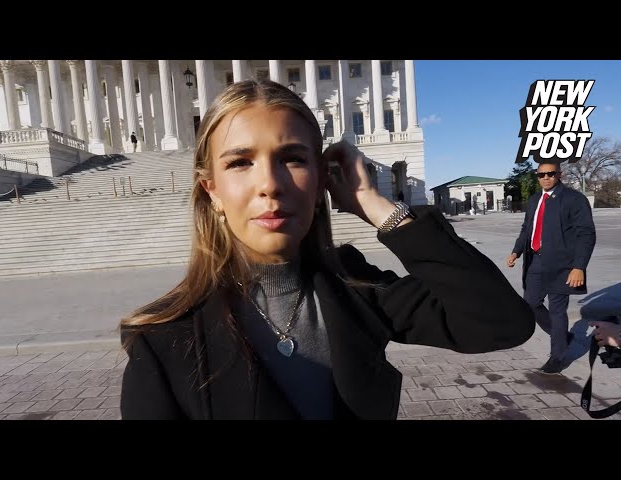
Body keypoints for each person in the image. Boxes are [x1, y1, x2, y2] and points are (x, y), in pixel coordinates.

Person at [119, 79, 535, 420]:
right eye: (240, 162)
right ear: (212, 191)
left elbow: (501, 322)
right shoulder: (163, 337)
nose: (271, 184)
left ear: (321, 181)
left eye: (293, 159)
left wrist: (378, 207)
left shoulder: (355, 287)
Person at [507, 161, 596, 374]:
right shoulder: (535, 199)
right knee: (531, 303)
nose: (545, 178)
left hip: (563, 265)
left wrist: (579, 267)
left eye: (550, 174)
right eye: (541, 175)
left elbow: (586, 234)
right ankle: (563, 336)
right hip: (535, 260)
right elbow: (526, 229)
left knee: (557, 311)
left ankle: (558, 356)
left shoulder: (575, 199)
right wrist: (516, 251)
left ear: (559, 174)